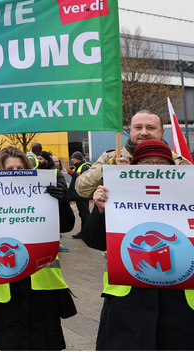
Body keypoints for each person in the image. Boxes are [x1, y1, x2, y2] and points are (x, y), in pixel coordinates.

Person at [82, 139, 194, 349]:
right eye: (146, 163)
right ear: (135, 167)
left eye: (161, 164)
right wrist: (100, 211)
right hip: (128, 304)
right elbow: (93, 241)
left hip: (179, 305)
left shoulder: (189, 195)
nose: (154, 169)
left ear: (172, 168)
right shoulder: (115, 194)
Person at [0, 146, 75, 350]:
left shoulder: (44, 192)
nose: (15, 172)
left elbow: (67, 226)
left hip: (42, 286)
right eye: (9, 168)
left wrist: (62, 202)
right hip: (6, 284)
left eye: (20, 167)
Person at [76, 110, 192, 198]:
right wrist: (107, 169)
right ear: (130, 131)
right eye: (138, 127)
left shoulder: (179, 163)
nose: (144, 132)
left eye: (151, 128)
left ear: (162, 132)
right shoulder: (111, 158)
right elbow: (82, 189)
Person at [67, 152, 91, 239]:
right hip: (78, 195)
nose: (72, 159)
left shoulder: (85, 167)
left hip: (83, 195)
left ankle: (88, 233)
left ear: (79, 159)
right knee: (82, 214)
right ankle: (83, 231)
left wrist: (72, 173)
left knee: (85, 215)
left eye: (74, 158)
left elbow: (83, 179)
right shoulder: (78, 167)